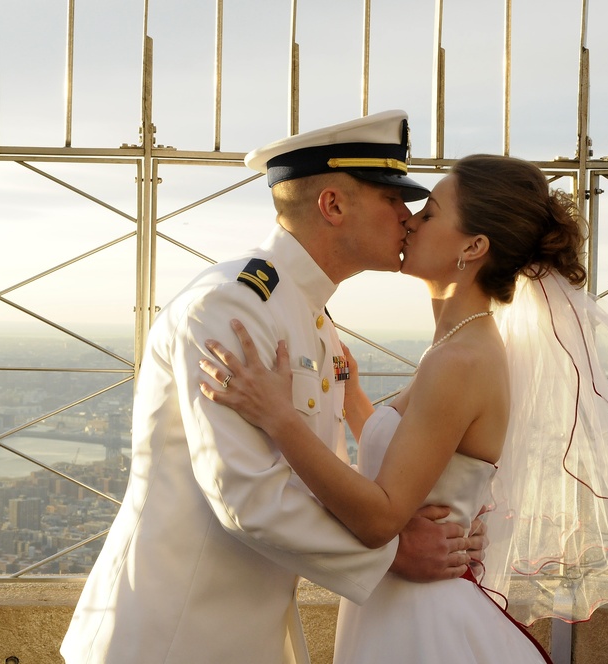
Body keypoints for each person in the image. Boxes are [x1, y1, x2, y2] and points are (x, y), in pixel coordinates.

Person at [199, 154, 608, 663]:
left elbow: (381, 516)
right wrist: (358, 402)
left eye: (429, 212)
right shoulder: (458, 345)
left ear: (473, 247)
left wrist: (279, 417)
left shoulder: (458, 359)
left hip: (419, 620)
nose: (409, 221)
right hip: (400, 606)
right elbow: (424, 466)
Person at [60, 111, 486, 664]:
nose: (407, 219)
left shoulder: (311, 320)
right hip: (172, 637)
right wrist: (393, 552)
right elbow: (245, 495)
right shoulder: (233, 307)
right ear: (332, 205)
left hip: (240, 637)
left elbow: (316, 475)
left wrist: (431, 517)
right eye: (391, 199)